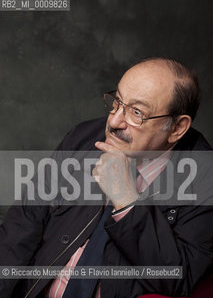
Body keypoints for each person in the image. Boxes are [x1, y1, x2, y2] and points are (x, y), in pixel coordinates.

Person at [0, 57, 213, 298]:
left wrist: (127, 200)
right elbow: (21, 227)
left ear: (176, 128)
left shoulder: (205, 178)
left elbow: (177, 278)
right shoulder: (82, 138)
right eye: (117, 102)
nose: (113, 122)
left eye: (136, 113)